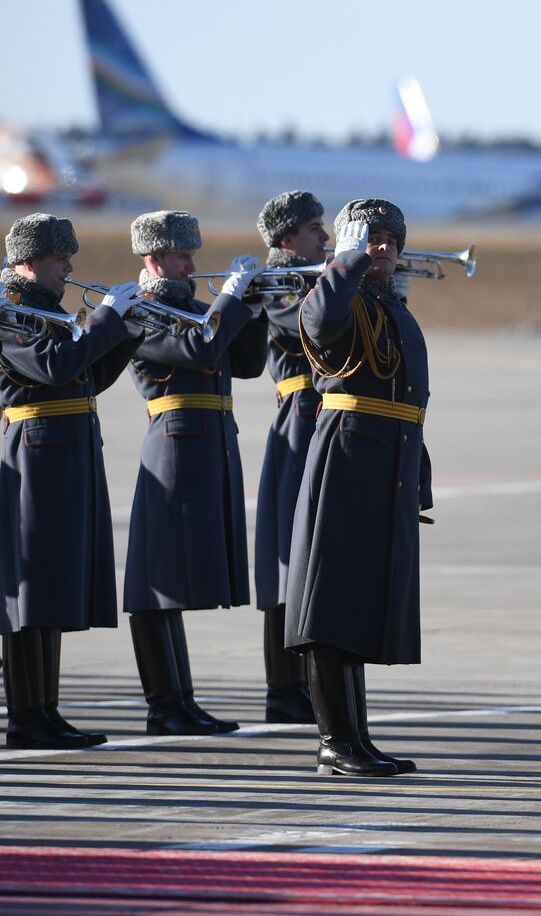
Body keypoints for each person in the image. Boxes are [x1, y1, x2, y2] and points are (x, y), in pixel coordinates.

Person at [285, 199, 432, 777]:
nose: (387, 248)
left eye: (394, 239)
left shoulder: (387, 306)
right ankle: (334, 740)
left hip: (385, 462)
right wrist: (344, 260)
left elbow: (405, 398)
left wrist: (416, 467)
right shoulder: (335, 293)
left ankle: (356, 738)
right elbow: (319, 322)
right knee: (331, 603)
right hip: (346, 458)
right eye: (374, 238)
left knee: (359, 601)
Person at [124, 210, 269, 736]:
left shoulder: (202, 310)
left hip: (210, 442)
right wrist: (231, 301)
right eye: (182, 256)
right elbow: (197, 349)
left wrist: (250, 306)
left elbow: (248, 362)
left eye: (192, 255)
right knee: (156, 578)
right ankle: (165, 703)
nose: (191, 265)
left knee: (173, 578)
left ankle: (179, 701)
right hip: (174, 442)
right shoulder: (141, 311)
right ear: (154, 258)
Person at [0, 214, 142, 748]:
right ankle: (26, 717)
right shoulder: (10, 313)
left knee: (54, 585)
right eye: (61, 258)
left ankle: (46, 711)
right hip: (35, 456)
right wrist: (105, 321)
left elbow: (86, 378)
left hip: (67, 454)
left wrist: (126, 333)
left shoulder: (43, 311)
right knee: (30, 593)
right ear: (31, 262)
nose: (69, 267)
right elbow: (55, 367)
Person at [253, 191, 328, 723]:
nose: (324, 238)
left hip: (325, 413)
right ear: (286, 240)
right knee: (289, 556)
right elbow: (312, 325)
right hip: (301, 417)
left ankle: (307, 682)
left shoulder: (318, 280)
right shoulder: (279, 288)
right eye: (313, 229)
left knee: (318, 556)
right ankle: (284, 689)